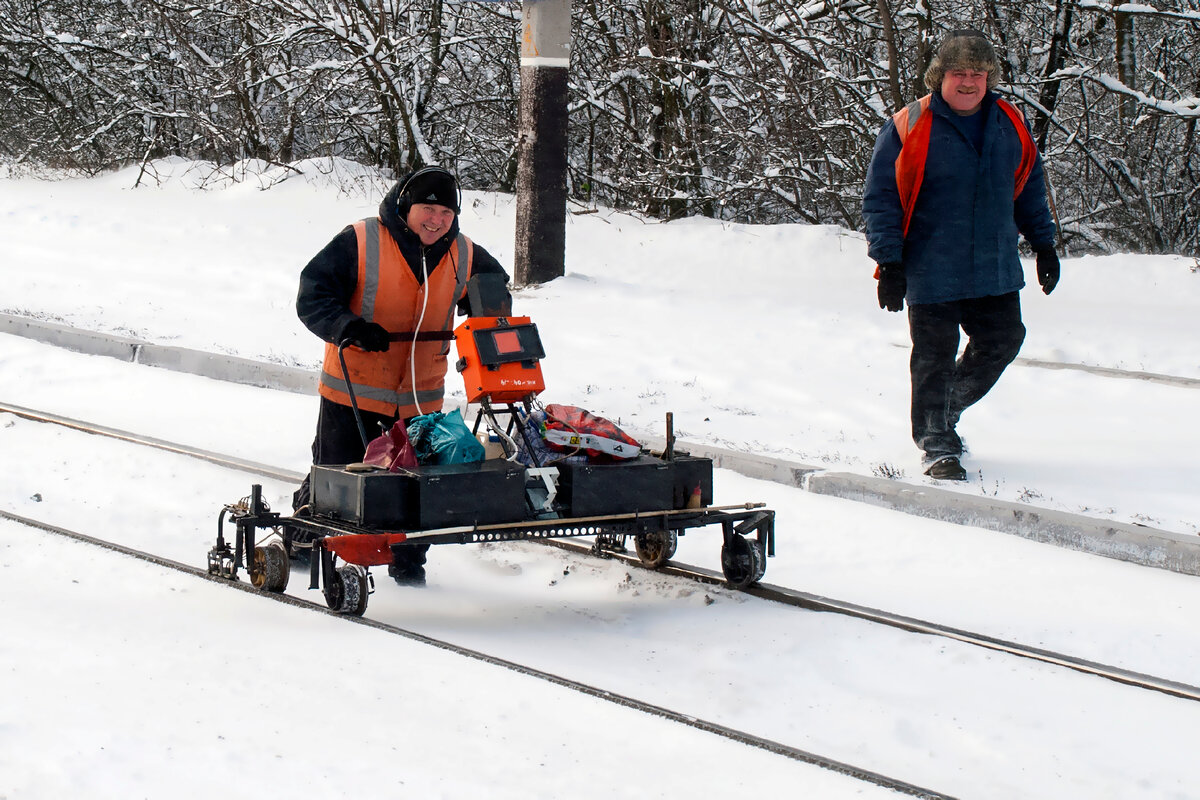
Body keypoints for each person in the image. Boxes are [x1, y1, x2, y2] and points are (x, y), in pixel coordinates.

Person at [292, 166, 510, 584]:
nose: (437, 220)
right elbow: (314, 293)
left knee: (416, 489)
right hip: (353, 389)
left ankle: (408, 569)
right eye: (428, 208)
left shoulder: (462, 253)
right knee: (339, 478)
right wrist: (348, 327)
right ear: (407, 206)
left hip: (419, 397)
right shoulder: (362, 239)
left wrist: (487, 313)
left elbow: (494, 291)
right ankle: (304, 544)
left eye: (447, 212)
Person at [861, 29, 1059, 481]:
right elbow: (881, 200)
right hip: (931, 266)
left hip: (994, 265)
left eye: (978, 73)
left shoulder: (1010, 123)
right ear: (940, 76)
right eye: (958, 73)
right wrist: (889, 262)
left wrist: (1044, 245)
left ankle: (943, 409)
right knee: (933, 355)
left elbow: (1028, 188)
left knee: (1004, 340)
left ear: (989, 77)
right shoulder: (909, 126)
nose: (968, 82)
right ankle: (936, 443)